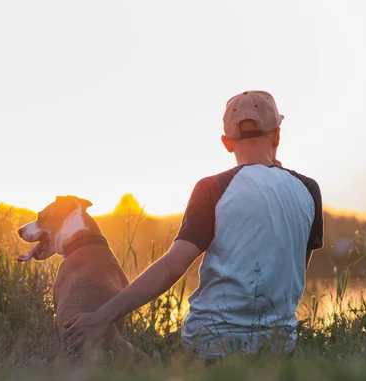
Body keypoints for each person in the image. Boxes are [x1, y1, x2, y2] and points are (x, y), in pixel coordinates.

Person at [62, 90, 323, 359]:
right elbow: (294, 268)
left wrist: (101, 316)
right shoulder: (308, 190)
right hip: (278, 349)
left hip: (209, 345)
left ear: (226, 143)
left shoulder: (213, 188)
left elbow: (173, 266)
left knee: (143, 358)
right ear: (277, 134)